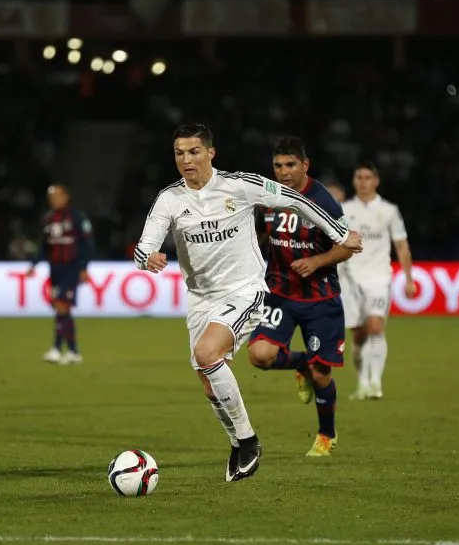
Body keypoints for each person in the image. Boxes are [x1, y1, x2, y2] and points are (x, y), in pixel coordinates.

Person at [133, 123, 363, 482]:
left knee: (209, 354)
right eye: (179, 153)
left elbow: (296, 199)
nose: (186, 160)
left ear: (211, 153)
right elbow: (144, 245)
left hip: (245, 291)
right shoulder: (170, 199)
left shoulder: (240, 185)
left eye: (194, 151)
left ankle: (252, 442)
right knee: (208, 378)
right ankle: (241, 441)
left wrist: (341, 233)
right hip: (200, 299)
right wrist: (148, 258)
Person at [247, 137, 358, 457]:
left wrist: (317, 261)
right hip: (279, 292)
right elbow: (260, 234)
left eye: (290, 165)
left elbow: (347, 246)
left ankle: (326, 434)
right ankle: (301, 365)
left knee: (323, 373)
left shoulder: (324, 201)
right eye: (278, 165)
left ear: (305, 165)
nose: (283, 172)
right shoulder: (269, 197)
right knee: (260, 356)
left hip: (320, 299)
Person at [340, 163, 416, 400]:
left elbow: (401, 245)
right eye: (359, 177)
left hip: (378, 277)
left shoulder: (389, 210)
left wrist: (409, 279)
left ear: (376, 181)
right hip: (349, 278)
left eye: (367, 177)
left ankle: (376, 383)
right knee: (359, 334)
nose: (363, 181)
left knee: (375, 327)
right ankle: (362, 383)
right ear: (354, 181)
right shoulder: (344, 209)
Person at [28, 184, 93, 365]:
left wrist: (84, 267)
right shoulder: (48, 219)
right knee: (60, 308)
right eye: (51, 198)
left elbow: (87, 244)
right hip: (55, 269)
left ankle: (67, 351)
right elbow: (44, 246)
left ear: (66, 197)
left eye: (57, 196)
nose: (54, 201)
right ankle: (64, 350)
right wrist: (34, 264)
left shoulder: (77, 217)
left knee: (62, 306)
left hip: (71, 268)